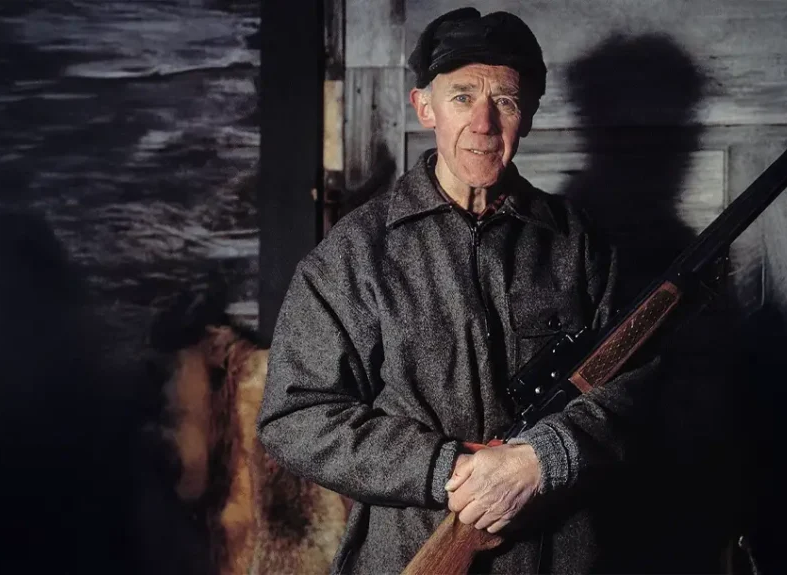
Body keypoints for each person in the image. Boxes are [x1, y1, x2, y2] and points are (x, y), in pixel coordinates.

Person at [257, 8, 659, 573]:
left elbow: (641, 381)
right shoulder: (355, 253)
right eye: (462, 97)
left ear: (528, 115)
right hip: (411, 549)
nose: (483, 123)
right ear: (425, 108)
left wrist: (544, 459)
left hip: (564, 557)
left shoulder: (581, 243)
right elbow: (294, 416)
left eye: (506, 102)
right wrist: (445, 469)